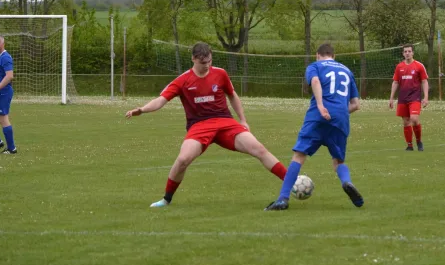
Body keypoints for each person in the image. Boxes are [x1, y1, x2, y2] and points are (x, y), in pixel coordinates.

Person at [125, 42, 287, 208]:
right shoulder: (182, 80)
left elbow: (232, 95)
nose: (207, 65)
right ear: (193, 59)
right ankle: (166, 199)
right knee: (182, 159)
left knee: (259, 149)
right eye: (203, 63)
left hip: (225, 122)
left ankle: (292, 182)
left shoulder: (220, 74)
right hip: (199, 126)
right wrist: (142, 109)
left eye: (209, 61)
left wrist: (243, 120)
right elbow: (160, 100)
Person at [264, 43, 363, 211]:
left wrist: (320, 105)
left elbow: (315, 81)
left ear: (318, 55)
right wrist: (338, 112)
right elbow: (355, 105)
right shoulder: (347, 71)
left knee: (299, 156)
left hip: (317, 116)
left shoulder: (315, 66)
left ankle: (282, 199)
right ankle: (347, 182)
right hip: (340, 118)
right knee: (338, 160)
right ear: (334, 55)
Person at [388, 44, 429, 151]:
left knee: (414, 119)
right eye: (405, 51)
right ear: (403, 53)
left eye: (409, 51)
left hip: (415, 97)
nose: (407, 53)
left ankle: (419, 141)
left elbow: (424, 81)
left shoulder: (419, 66)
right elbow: (395, 82)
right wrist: (391, 98)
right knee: (406, 121)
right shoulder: (399, 67)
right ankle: (409, 145)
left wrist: (426, 97)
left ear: (413, 53)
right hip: (403, 97)